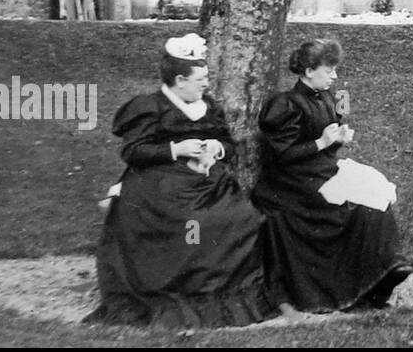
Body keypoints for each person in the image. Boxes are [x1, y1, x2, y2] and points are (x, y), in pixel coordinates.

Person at [86, 34, 278, 329]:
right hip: (159, 185)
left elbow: (229, 143)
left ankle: (224, 297)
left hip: (208, 183)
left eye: (206, 77)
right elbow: (133, 151)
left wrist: (218, 148)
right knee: (194, 224)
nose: (206, 84)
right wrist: (176, 149)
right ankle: (183, 292)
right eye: (200, 78)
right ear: (179, 80)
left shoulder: (208, 107)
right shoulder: (149, 107)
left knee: (243, 217)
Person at [252, 39, 412, 312]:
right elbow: (283, 155)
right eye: (329, 70)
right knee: (353, 203)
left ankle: (386, 266)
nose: (334, 76)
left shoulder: (326, 98)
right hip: (291, 180)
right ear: (309, 70)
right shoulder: (285, 104)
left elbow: (326, 140)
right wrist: (322, 143)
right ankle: (356, 278)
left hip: (320, 169)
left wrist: (338, 139)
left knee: (376, 188)